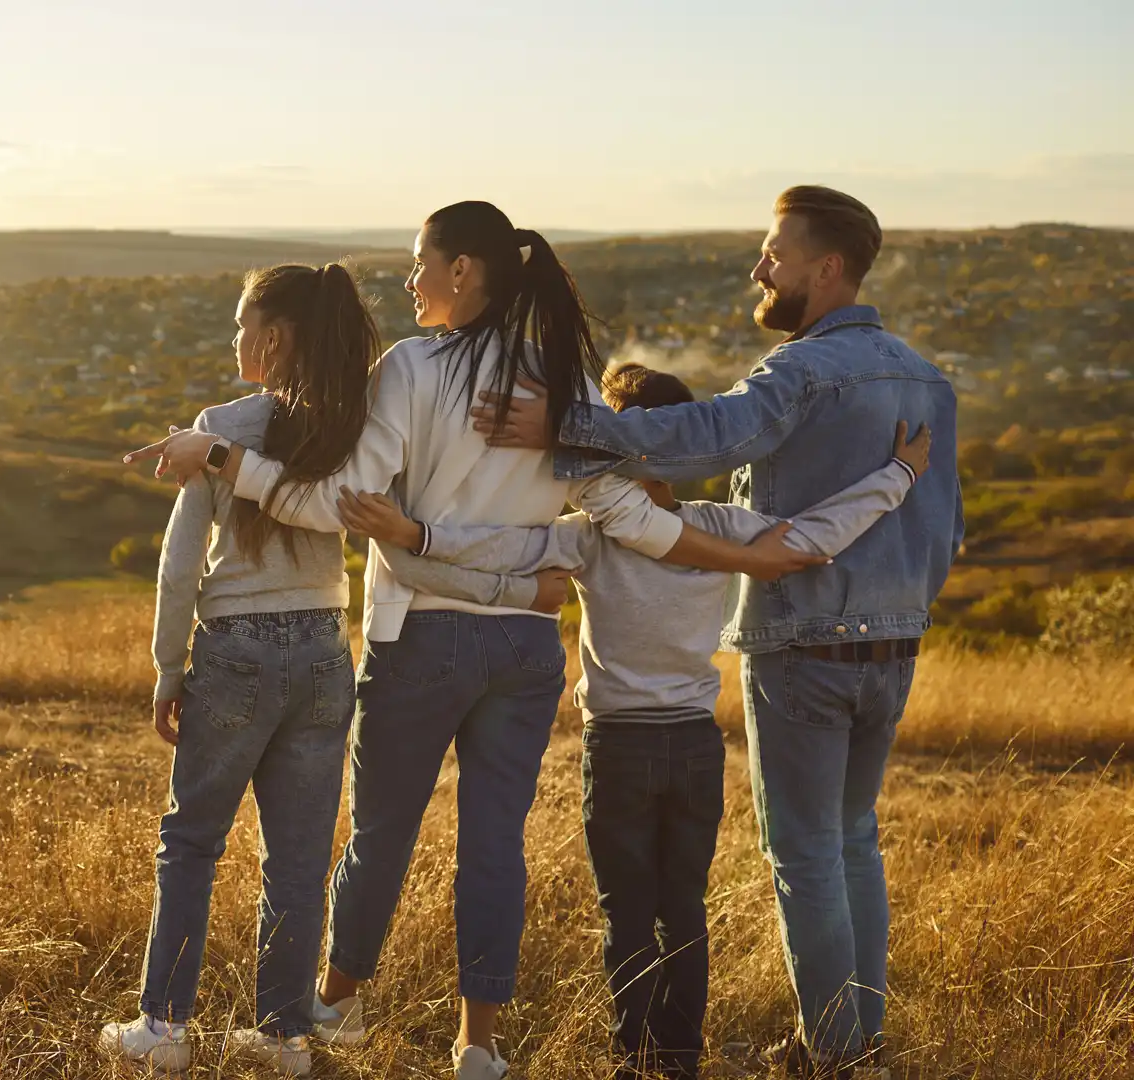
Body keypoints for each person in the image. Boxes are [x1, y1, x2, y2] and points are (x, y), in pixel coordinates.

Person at [126, 201, 827, 1079]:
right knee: (495, 847)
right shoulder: (557, 375)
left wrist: (226, 459)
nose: (410, 279)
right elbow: (625, 513)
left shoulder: (411, 368)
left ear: (463, 271)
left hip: (420, 637)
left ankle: (334, 1008)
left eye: (421, 262)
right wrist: (743, 555)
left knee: (380, 837)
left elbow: (343, 504)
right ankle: (478, 1045)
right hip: (526, 648)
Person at [472, 187, 964, 1079]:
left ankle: (837, 1054)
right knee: (853, 839)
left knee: (807, 851)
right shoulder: (928, 379)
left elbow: (705, 437)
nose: (759, 269)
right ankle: (860, 1043)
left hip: (804, 642)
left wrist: (567, 425)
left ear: (828, 268)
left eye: (775, 253)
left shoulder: (803, 371)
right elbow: (945, 525)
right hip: (895, 648)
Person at [335, 362, 933, 1080]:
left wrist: (415, 533)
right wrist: (898, 475)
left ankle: (635, 1059)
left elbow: (500, 545)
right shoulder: (721, 527)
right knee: (684, 910)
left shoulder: (590, 535)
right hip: (695, 747)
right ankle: (678, 1060)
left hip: (618, 747)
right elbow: (819, 534)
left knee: (626, 914)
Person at [103, 262, 517, 1078]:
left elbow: (180, 565)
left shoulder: (223, 427)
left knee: (191, 843)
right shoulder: (350, 429)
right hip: (327, 648)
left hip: (237, 646)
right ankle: (286, 1036)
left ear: (273, 337)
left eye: (241, 325)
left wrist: (167, 667)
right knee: (295, 861)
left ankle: (165, 1026)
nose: (234, 338)